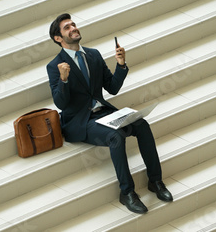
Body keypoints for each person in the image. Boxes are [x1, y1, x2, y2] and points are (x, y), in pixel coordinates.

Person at [46, 13, 173, 214]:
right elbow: (60, 103)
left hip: (104, 112)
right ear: (58, 38)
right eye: (67, 28)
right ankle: (127, 192)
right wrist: (63, 80)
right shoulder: (55, 66)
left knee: (142, 125)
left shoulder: (93, 55)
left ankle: (155, 181)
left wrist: (121, 65)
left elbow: (112, 88)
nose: (73, 29)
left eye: (74, 25)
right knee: (115, 136)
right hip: (81, 121)